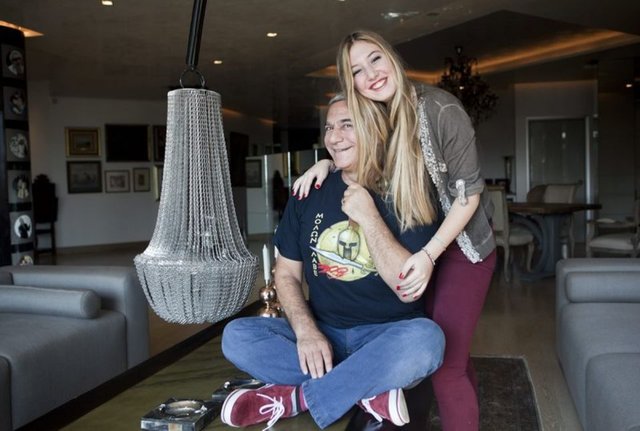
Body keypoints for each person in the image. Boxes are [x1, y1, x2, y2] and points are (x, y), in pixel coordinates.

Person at [292, 30, 497, 431]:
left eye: (375, 59)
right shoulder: (377, 116)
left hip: (460, 246)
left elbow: (468, 195)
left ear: (391, 57)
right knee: (454, 352)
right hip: (419, 243)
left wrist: (429, 255)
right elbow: (356, 150)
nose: (370, 74)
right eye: (356, 70)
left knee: (446, 364)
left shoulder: (441, 108)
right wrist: (326, 165)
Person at [220, 95, 445, 430]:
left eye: (346, 125)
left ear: (375, 129)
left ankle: (297, 398)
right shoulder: (308, 191)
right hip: (323, 330)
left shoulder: (408, 192)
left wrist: (369, 216)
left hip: (387, 335)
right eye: (329, 128)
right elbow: (286, 274)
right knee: (236, 336)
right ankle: (367, 389)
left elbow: (406, 289)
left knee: (428, 341)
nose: (333, 138)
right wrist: (307, 331)